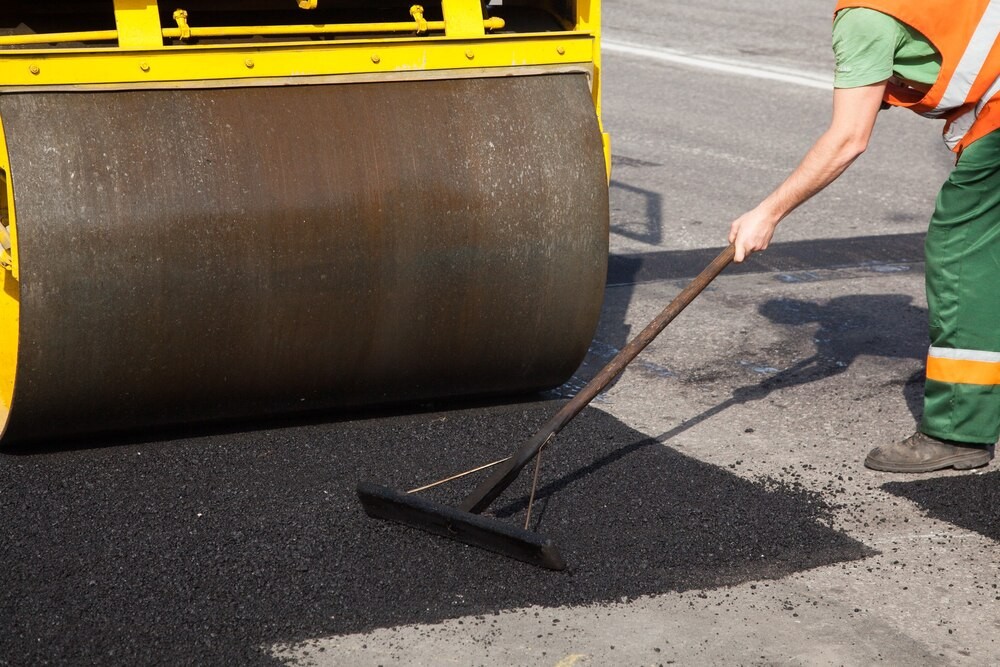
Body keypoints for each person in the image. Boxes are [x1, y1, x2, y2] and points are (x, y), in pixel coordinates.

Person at [727, 0, 1000, 473]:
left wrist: (767, 213)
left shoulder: (865, 16)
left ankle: (958, 430)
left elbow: (848, 138)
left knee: (961, 255)